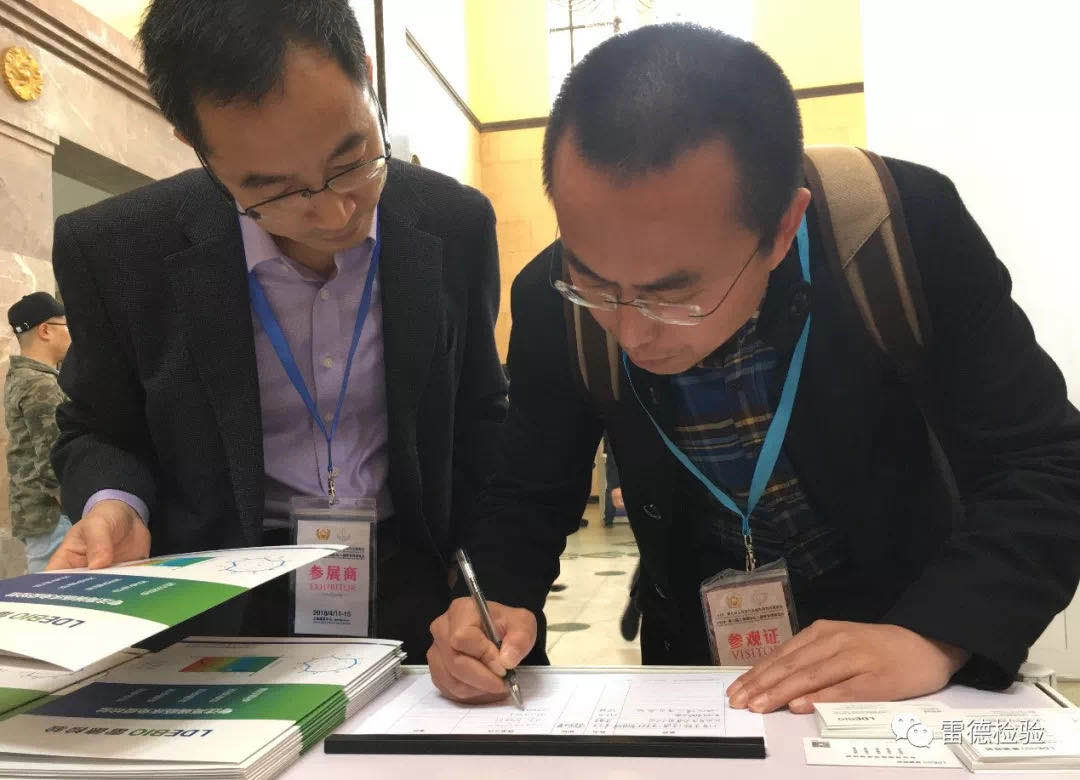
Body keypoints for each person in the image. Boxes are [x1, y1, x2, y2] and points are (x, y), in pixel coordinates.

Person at [428, 24, 1080, 711]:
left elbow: (1045, 464)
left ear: (782, 229)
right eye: (592, 280)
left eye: (673, 295)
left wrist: (935, 634)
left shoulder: (896, 231)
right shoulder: (550, 301)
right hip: (701, 680)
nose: (630, 331)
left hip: (900, 662)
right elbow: (527, 495)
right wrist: (491, 604)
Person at [47, 0, 506, 661]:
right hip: (214, 606)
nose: (335, 213)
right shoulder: (117, 250)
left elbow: (483, 415)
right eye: (277, 192)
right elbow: (97, 428)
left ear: (366, 75)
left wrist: (491, 580)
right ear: (197, 146)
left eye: (352, 160)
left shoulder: (454, 223)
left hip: (418, 593)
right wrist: (114, 503)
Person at [4, 293, 72, 572]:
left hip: (37, 514)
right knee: (57, 588)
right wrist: (79, 509)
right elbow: (53, 460)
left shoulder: (21, 377)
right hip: (53, 516)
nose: (71, 334)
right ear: (45, 331)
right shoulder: (40, 384)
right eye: (66, 325)